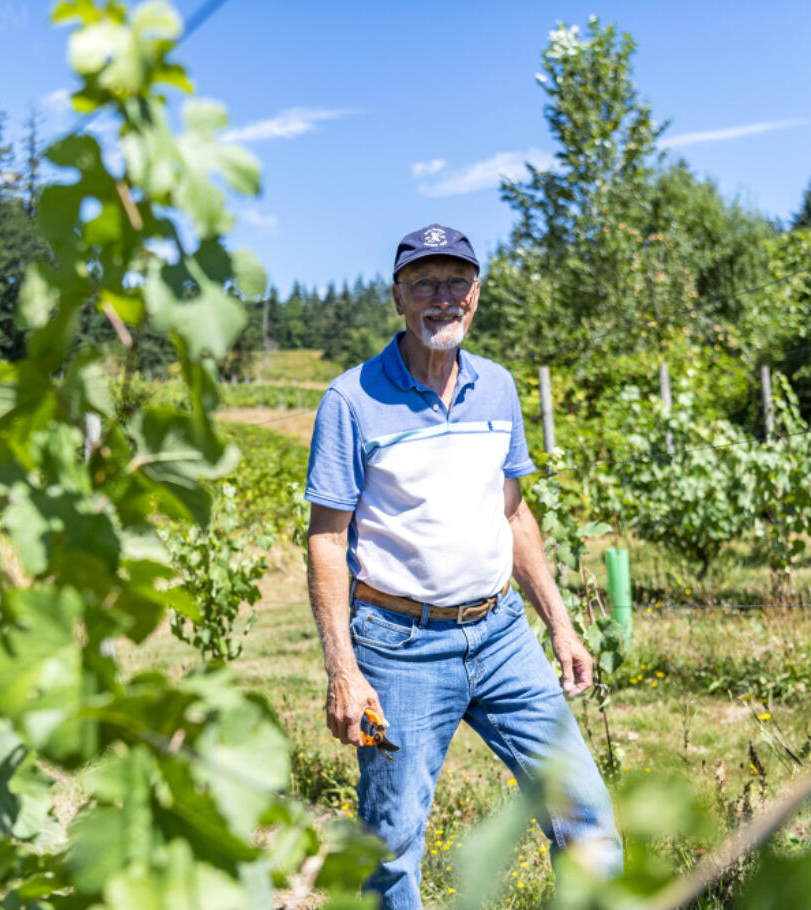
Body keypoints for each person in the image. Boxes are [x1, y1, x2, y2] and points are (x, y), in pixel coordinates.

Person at [303, 224, 622, 908]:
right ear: (397, 298)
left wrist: (560, 627)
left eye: (456, 283)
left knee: (588, 818)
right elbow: (326, 540)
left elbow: (514, 515)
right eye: (424, 284)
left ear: (475, 295)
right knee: (390, 851)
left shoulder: (498, 388)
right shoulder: (351, 400)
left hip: (502, 634)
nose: (442, 299)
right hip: (400, 647)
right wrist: (343, 670)